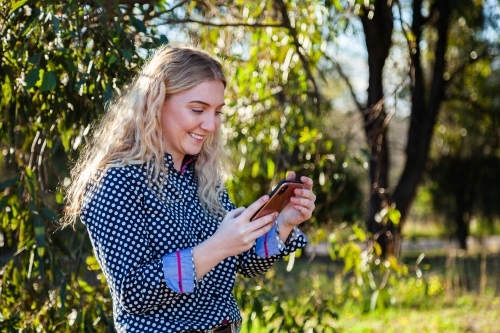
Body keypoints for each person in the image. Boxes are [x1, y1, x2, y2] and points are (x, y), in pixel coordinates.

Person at [63, 44, 316, 333]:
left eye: (218, 111)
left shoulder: (202, 176)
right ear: (155, 102)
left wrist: (282, 223)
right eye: (198, 109)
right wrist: (216, 246)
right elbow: (133, 293)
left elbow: (244, 263)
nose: (210, 124)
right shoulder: (117, 181)